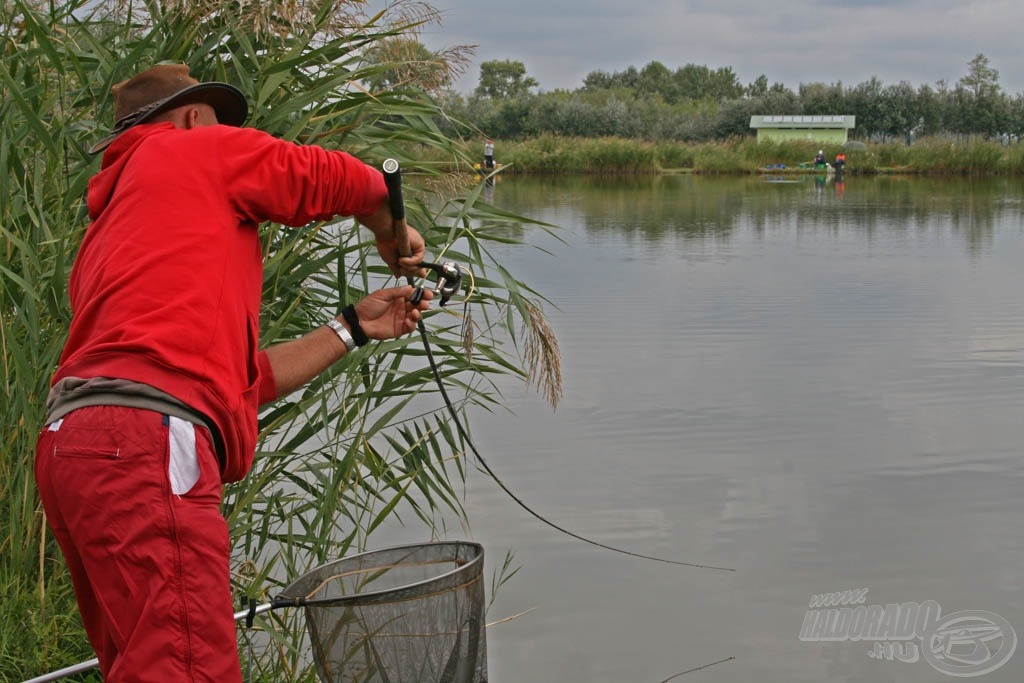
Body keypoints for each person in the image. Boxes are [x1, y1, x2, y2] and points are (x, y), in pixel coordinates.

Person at [33, 63, 431, 682]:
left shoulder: (114, 226)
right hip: (145, 445)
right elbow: (326, 175)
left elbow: (235, 385)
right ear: (193, 118)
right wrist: (390, 225)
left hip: (74, 448)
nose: (230, 135)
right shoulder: (192, 150)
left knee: (141, 668)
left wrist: (352, 326)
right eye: (220, 122)